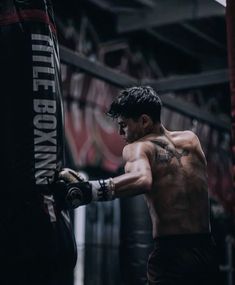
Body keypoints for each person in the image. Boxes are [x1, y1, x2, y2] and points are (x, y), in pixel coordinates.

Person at [55, 86, 220, 285]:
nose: (119, 132)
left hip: (172, 255)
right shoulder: (192, 141)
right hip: (206, 251)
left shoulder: (138, 147)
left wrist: (89, 191)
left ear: (144, 121)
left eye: (123, 125)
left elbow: (142, 179)